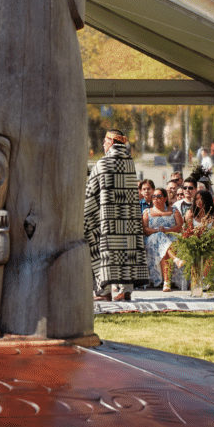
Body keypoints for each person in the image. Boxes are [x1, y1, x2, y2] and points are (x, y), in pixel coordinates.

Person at [84, 129, 147, 301]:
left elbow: (90, 192)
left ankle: (103, 291)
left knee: (101, 248)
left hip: (108, 221)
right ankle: (125, 289)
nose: (103, 144)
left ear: (111, 142)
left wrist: (86, 213)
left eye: (105, 140)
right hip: (128, 220)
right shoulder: (130, 163)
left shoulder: (103, 163)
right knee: (127, 250)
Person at [142, 187, 184, 291]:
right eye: (154, 196)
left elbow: (179, 226)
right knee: (160, 236)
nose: (155, 198)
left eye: (159, 196)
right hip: (152, 239)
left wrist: (167, 230)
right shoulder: (147, 212)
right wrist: (158, 231)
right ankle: (175, 259)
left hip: (171, 237)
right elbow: (145, 229)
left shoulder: (174, 210)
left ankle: (166, 283)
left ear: (165, 198)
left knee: (164, 248)